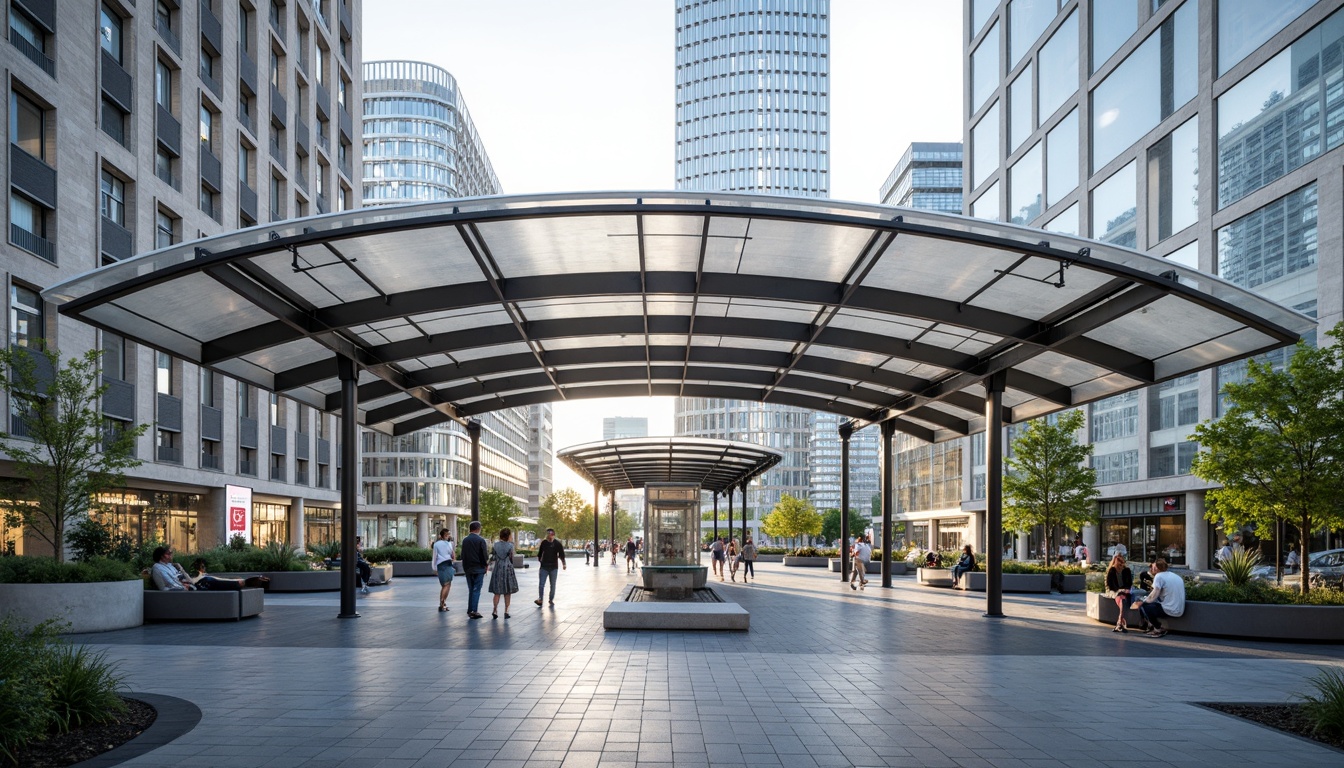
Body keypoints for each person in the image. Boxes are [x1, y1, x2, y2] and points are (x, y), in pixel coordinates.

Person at [1139, 559, 1185, 638]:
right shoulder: (1173, 575)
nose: (1151, 569)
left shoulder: (1159, 576)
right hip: (1180, 608)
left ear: (1156, 568)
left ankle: (1158, 629)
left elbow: (1153, 596)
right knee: (1149, 604)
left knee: (1145, 606)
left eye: (1153, 567)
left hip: (1170, 609)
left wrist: (1143, 601)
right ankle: (1152, 625)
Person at [460, 521, 490, 619]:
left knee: (471, 589)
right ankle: (474, 610)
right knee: (476, 589)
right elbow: (484, 555)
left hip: (468, 568)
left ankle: (470, 610)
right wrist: (486, 565)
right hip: (478, 568)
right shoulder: (481, 540)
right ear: (478, 529)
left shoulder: (465, 540)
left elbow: (463, 555)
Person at [488, 527, 520, 619]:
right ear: (508, 535)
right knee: (507, 591)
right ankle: (506, 611)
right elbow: (511, 557)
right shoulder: (510, 546)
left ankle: (495, 609)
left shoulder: (495, 545)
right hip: (507, 569)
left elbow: (493, 557)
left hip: (497, 569)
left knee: (497, 592)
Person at [189, 559, 269, 590]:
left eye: (203, 566)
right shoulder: (200, 577)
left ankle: (254, 581)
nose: (204, 568)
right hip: (206, 582)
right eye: (202, 566)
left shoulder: (204, 576)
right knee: (236, 581)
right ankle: (251, 581)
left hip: (207, 581)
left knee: (235, 580)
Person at [535, 528, 566, 606]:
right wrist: (540, 561)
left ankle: (551, 599)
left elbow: (561, 554)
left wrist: (564, 564)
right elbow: (540, 553)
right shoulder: (544, 543)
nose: (549, 536)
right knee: (541, 584)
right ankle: (540, 599)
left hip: (553, 567)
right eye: (548, 534)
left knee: (553, 584)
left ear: (553, 535)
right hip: (544, 567)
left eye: (551, 534)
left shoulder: (557, 544)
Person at [1105, 554, 1134, 633]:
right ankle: (1120, 622)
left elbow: (1129, 583)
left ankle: (1119, 623)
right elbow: (1110, 585)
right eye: (1119, 562)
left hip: (1124, 591)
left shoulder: (1127, 570)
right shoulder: (1112, 570)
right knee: (1121, 598)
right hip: (1114, 591)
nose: (1121, 564)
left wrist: (1125, 590)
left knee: (1123, 598)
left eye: (1122, 562)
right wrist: (1120, 590)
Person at [431, 528, 455, 612]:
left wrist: (434, 568)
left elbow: (434, 556)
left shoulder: (436, 544)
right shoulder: (449, 544)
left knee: (444, 585)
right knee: (447, 585)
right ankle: (442, 603)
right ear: (443, 535)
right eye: (447, 535)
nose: (448, 536)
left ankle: (443, 603)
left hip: (440, 565)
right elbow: (452, 555)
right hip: (447, 564)